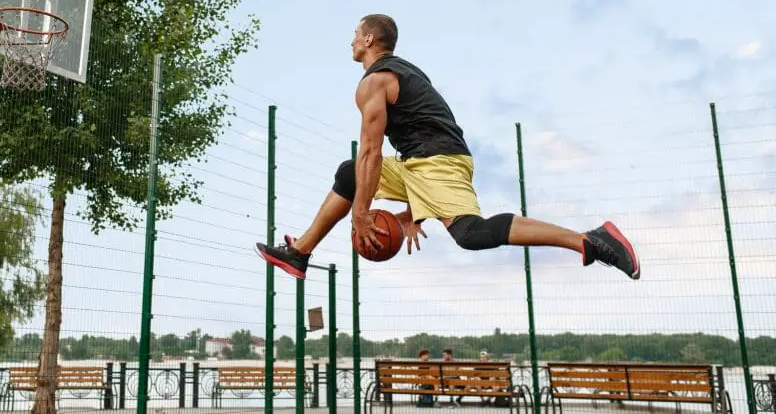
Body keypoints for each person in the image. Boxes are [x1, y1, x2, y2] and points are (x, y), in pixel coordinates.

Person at [255, 14, 640, 281]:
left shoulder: (374, 82)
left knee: (471, 234)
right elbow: (387, 149)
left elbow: (371, 152)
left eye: (356, 34)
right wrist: (412, 212)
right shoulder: (405, 71)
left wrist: (360, 215)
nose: (352, 40)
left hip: (438, 161)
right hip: (422, 163)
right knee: (347, 173)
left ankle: (589, 240)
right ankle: (301, 252)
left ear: (370, 39)